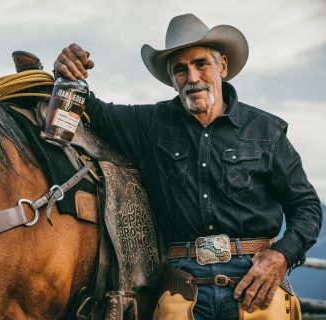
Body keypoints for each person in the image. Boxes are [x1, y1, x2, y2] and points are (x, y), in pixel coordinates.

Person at [53, 14, 322, 320]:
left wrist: (281, 255)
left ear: (222, 66)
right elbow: (92, 108)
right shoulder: (149, 125)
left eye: (200, 64)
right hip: (183, 289)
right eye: (180, 69)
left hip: (257, 285)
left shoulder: (265, 131)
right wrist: (69, 71)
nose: (192, 77)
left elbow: (307, 206)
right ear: (171, 78)